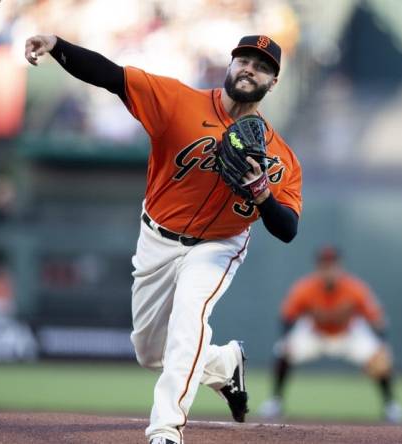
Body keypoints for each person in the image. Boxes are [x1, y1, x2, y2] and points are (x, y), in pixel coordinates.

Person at [24, 34, 302, 444]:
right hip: (157, 236)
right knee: (150, 351)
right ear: (229, 65)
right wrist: (57, 45)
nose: (249, 69)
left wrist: (262, 193)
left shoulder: (281, 158)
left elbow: (288, 229)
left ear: (273, 82)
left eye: (261, 66)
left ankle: (166, 429)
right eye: (243, 60)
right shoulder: (178, 101)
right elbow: (112, 77)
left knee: (190, 316)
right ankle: (225, 365)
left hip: (219, 246)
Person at [258, 246, 402, 424]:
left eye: (332, 265)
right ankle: (275, 402)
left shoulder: (355, 288)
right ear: (318, 268)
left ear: (340, 267)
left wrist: (382, 344)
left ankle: (390, 406)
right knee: (283, 351)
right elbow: (287, 317)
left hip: (349, 335)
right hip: (316, 334)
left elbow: (377, 319)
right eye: (324, 265)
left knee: (380, 357)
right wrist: (286, 340)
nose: (328, 270)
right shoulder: (305, 287)